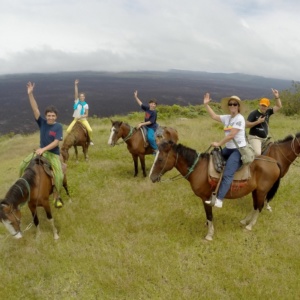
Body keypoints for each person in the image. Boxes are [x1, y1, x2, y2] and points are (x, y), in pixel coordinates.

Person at [19, 82, 64, 208]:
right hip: (40, 152)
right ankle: (23, 188)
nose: (50, 117)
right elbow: (35, 108)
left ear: (56, 117)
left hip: (53, 154)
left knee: (59, 175)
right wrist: (30, 94)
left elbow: (56, 142)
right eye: (48, 115)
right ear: (46, 116)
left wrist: (43, 149)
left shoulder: (58, 126)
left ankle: (57, 195)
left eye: (53, 116)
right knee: (22, 165)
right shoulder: (42, 122)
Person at [203, 93, 246, 208]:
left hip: (238, 150)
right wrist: (206, 105)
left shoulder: (240, 119)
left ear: (238, 106)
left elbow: (231, 135)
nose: (232, 106)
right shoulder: (227, 117)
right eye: (230, 104)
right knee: (213, 158)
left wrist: (218, 144)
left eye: (235, 104)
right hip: (229, 148)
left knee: (228, 173)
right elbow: (214, 116)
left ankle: (219, 200)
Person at [246, 89, 282, 155]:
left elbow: (279, 106)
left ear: (268, 106)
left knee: (275, 150)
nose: (263, 107)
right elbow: (246, 125)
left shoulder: (268, 112)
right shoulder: (254, 113)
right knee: (257, 153)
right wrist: (257, 122)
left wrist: (277, 97)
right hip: (255, 138)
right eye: (262, 105)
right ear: (259, 105)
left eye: (265, 106)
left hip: (265, 138)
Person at [67, 79, 94, 145]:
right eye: (80, 96)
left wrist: (82, 116)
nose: (81, 97)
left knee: (90, 130)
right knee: (68, 130)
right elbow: (76, 93)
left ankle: (90, 140)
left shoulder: (86, 105)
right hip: (76, 119)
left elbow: (87, 114)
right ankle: (71, 140)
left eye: (83, 96)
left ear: (84, 97)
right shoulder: (77, 102)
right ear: (79, 97)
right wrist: (76, 85)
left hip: (83, 119)